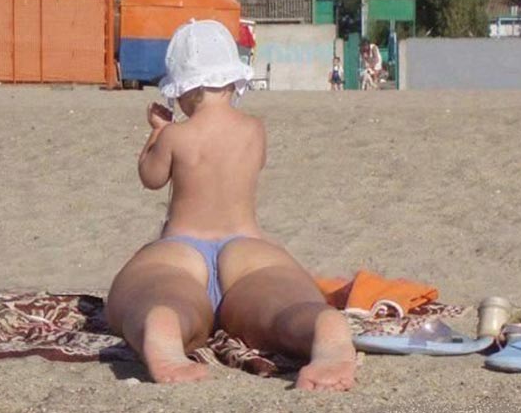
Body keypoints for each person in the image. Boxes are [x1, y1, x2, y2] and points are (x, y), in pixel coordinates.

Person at [105, 20, 356, 391]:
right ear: (233, 79)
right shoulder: (254, 129)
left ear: (182, 90)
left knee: (156, 295)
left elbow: (151, 177)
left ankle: (163, 322)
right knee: (281, 307)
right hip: (248, 249)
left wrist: (157, 132)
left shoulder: (176, 135)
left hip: (181, 249)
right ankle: (318, 325)